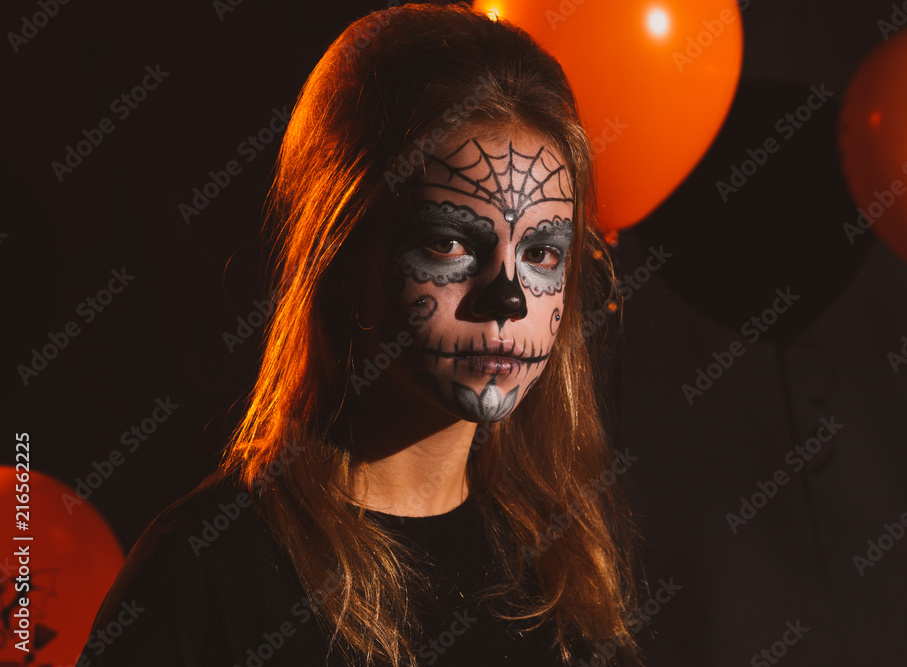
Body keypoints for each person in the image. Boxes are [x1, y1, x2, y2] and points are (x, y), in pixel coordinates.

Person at [77, 4, 641, 666]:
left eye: (543, 253)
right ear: (342, 253)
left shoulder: (557, 573)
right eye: (450, 240)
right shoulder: (211, 573)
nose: (508, 299)